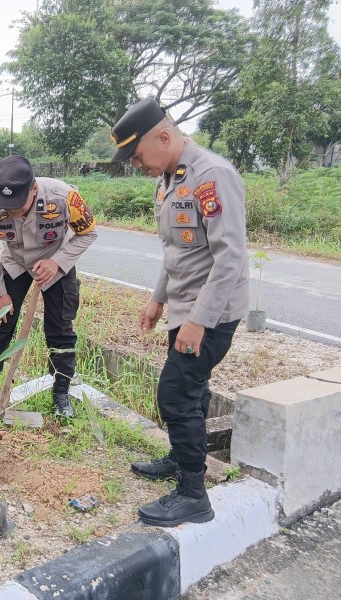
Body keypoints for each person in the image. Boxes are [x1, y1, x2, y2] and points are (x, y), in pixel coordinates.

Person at [110, 97, 249, 527]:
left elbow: (229, 260)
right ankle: (179, 456)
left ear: (165, 136)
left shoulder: (212, 176)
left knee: (175, 394)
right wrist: (158, 297)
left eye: (137, 155)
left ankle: (193, 493)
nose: (136, 164)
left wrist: (197, 322)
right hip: (185, 308)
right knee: (192, 389)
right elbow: (178, 252)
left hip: (211, 313)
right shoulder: (171, 179)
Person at [0, 155, 98, 417]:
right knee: (0, 327)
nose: (12, 211)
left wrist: (57, 263)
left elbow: (88, 233)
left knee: (60, 328)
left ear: (33, 188)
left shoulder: (64, 197)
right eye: (7, 205)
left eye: (18, 205)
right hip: (14, 264)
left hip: (56, 266)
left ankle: (61, 392)